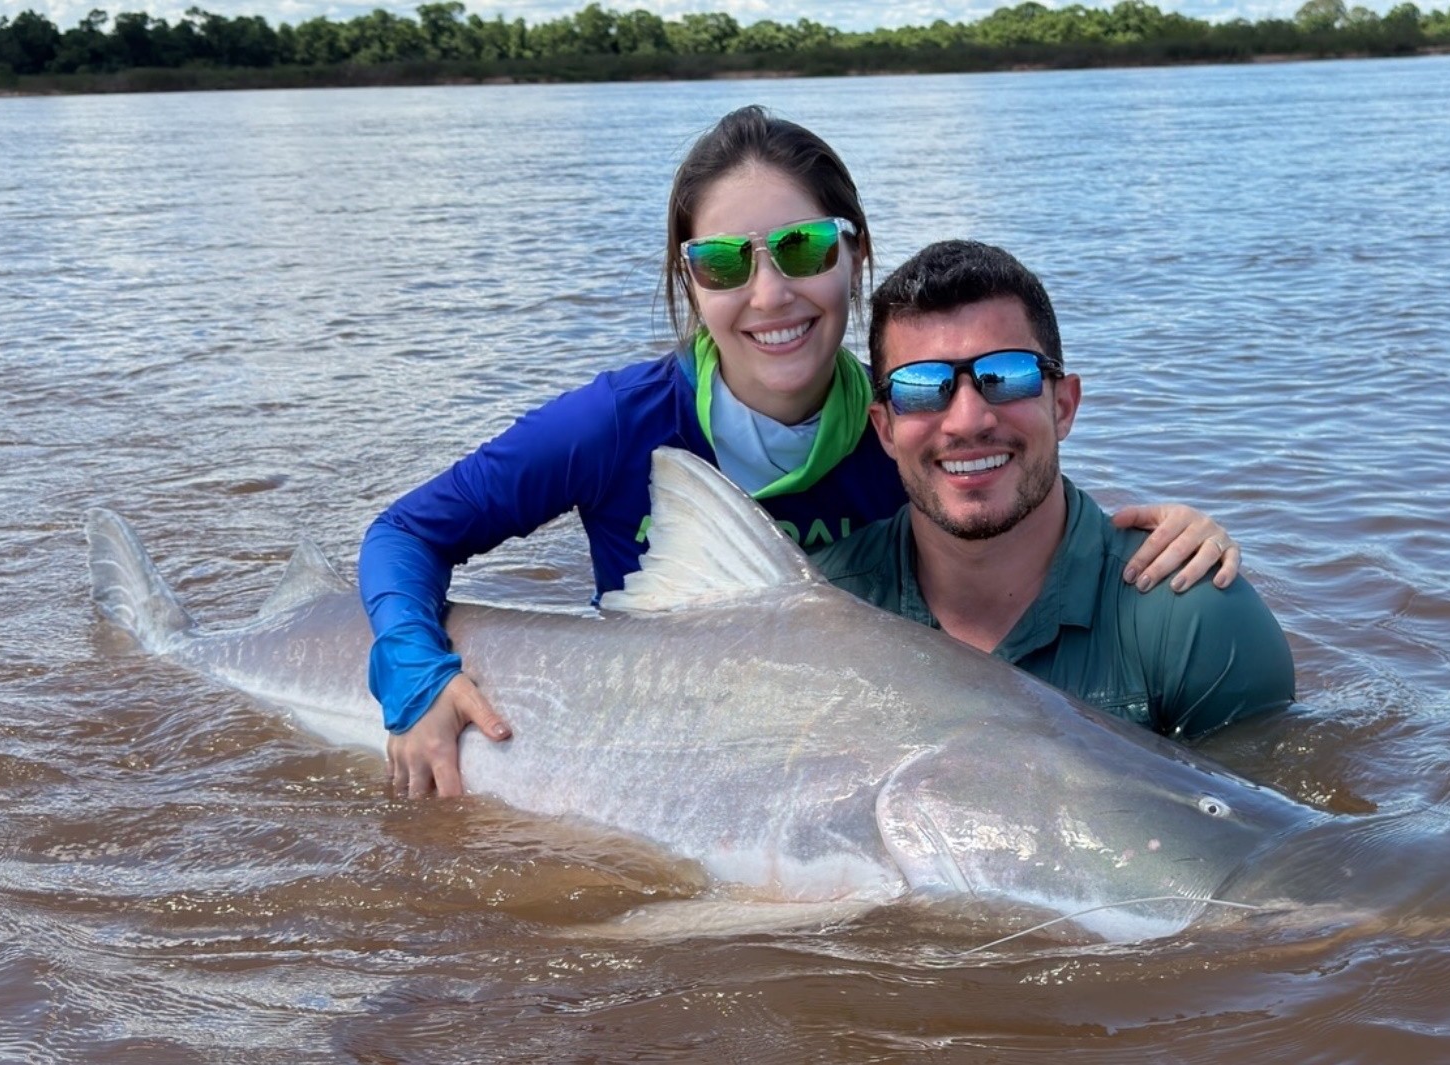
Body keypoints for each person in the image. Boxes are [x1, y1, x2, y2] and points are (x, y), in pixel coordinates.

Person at [360, 107, 1245, 797]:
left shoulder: (905, 427)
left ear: (854, 256)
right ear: (689, 281)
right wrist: (415, 673)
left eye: (802, 248)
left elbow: (1004, 494)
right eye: (723, 265)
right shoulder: (615, 423)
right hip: (640, 728)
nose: (770, 293)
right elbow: (405, 533)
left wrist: (1170, 535)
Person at [813, 240, 1294, 737]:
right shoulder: (826, 612)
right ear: (886, 429)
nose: (967, 420)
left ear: (1063, 406)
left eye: (1008, 376)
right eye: (920, 386)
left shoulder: (1196, 622)